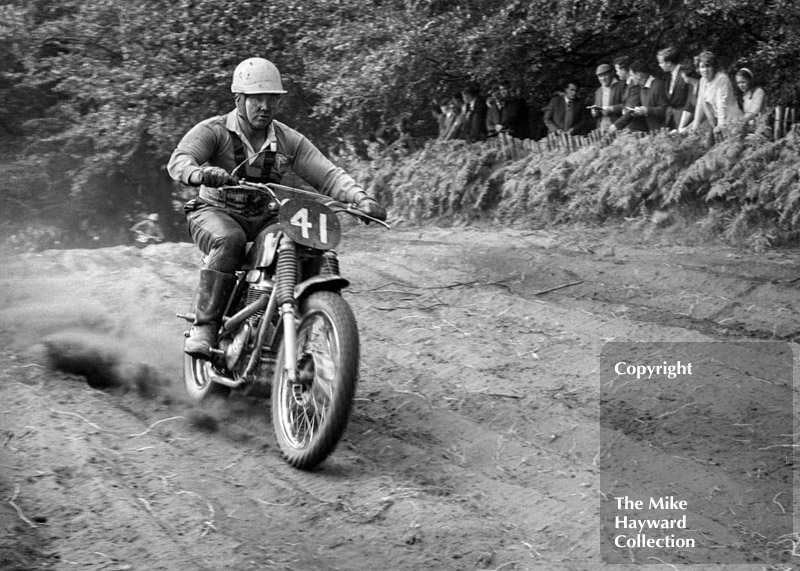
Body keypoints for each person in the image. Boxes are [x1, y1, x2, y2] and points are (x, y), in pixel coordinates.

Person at [168, 57, 387, 358]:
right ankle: (205, 327)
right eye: (257, 99)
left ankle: (291, 323)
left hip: (263, 216)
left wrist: (360, 199)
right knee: (229, 240)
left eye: (271, 99)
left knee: (297, 244)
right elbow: (180, 160)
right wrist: (199, 173)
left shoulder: (288, 140)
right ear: (239, 99)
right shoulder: (215, 131)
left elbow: (327, 173)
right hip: (214, 211)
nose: (265, 106)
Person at [690, 50, 742, 133]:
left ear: (714, 67)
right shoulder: (702, 81)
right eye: (702, 67)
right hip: (717, 121)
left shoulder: (721, 79)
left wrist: (721, 125)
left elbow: (721, 102)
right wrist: (695, 124)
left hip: (732, 120)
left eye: (708, 66)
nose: (705, 70)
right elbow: (700, 103)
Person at [619, 59, 668, 132]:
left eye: (632, 75)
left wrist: (646, 110)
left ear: (639, 75)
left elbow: (665, 110)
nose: (631, 79)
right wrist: (638, 112)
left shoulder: (657, 85)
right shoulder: (642, 87)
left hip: (663, 130)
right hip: (652, 130)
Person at [609, 56, 647, 133]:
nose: (616, 73)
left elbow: (631, 108)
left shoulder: (634, 84)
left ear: (623, 70)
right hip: (631, 127)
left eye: (617, 70)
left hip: (638, 128)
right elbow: (625, 105)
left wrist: (616, 125)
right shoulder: (628, 84)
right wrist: (611, 108)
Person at [657, 46, 689, 130]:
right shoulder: (668, 76)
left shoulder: (684, 75)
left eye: (661, 62)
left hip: (684, 118)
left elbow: (689, 100)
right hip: (672, 118)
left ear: (669, 63)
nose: (659, 65)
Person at [590, 63, 624, 132]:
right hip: (602, 129)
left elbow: (628, 106)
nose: (603, 78)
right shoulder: (598, 91)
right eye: (600, 76)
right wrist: (594, 112)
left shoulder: (621, 86)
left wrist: (612, 109)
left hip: (618, 128)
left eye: (605, 75)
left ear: (611, 74)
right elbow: (597, 114)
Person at [676, 58, 701, 132]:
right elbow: (688, 108)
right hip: (696, 124)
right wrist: (680, 128)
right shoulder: (691, 86)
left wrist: (688, 128)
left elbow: (704, 113)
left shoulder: (702, 87)